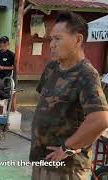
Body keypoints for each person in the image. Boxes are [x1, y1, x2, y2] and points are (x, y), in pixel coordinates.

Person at [30, 11, 108, 180]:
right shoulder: (52, 68)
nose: (51, 44)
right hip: (42, 159)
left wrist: (67, 147)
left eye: (58, 39)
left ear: (78, 40)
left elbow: (100, 119)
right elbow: (43, 102)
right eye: (51, 38)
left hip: (67, 169)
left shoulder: (86, 74)